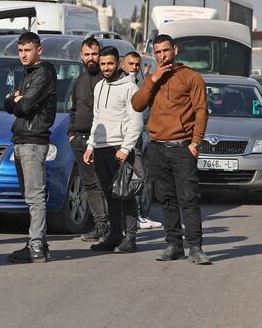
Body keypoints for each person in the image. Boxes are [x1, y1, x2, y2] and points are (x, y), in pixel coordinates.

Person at [131, 34, 211, 265]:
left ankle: (195, 247)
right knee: (166, 199)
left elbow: (201, 111)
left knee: (188, 199)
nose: (162, 55)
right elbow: (137, 104)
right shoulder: (152, 78)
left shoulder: (191, 77)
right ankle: (174, 244)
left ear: (175, 50)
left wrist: (196, 143)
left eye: (166, 50)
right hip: (157, 147)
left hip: (182, 147)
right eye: (157, 52)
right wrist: (153, 79)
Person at [83, 46, 144, 254]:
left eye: (109, 63)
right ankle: (115, 235)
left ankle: (131, 238)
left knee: (126, 194)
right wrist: (91, 145)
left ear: (118, 64)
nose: (106, 68)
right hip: (101, 148)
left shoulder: (130, 88)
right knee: (110, 194)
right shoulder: (99, 86)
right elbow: (97, 118)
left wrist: (126, 149)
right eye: (102, 64)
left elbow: (136, 122)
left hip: (120, 149)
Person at [4, 32, 57, 263]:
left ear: (39, 50)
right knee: (30, 196)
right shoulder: (29, 74)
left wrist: (17, 101)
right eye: (20, 50)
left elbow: (23, 105)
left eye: (28, 50)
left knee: (35, 197)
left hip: (34, 141)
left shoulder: (43, 73)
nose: (23, 55)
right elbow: (7, 102)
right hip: (22, 139)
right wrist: (14, 101)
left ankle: (36, 246)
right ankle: (38, 244)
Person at [67, 37, 110, 242]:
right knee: (90, 185)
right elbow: (74, 109)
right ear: (81, 57)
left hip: (102, 141)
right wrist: (71, 133)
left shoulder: (107, 78)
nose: (91, 58)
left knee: (105, 184)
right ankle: (100, 226)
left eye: (94, 54)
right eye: (87, 54)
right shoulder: (79, 80)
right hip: (80, 139)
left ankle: (114, 228)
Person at [121, 51, 162, 230]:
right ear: (123, 65)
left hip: (139, 138)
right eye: (131, 64)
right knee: (130, 179)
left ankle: (138, 215)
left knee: (138, 179)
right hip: (124, 140)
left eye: (137, 65)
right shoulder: (122, 84)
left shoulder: (138, 82)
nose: (134, 68)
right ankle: (131, 218)